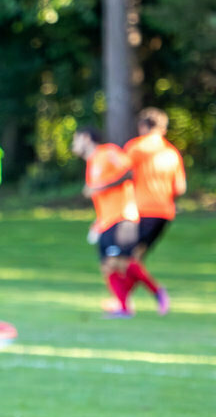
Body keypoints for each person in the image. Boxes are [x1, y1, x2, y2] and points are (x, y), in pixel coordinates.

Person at [72, 127, 167, 317]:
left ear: (86, 138)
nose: (73, 145)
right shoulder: (92, 162)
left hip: (123, 216)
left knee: (121, 261)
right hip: (106, 220)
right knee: (107, 265)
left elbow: (129, 172)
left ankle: (157, 292)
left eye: (75, 140)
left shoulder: (108, 152)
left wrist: (101, 187)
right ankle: (123, 307)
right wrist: (97, 221)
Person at [124, 107, 186, 262]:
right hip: (164, 212)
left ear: (143, 126)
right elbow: (180, 188)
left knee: (125, 258)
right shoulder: (171, 153)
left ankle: (154, 287)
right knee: (137, 256)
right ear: (162, 128)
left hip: (139, 211)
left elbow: (123, 177)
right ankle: (138, 286)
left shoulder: (135, 148)